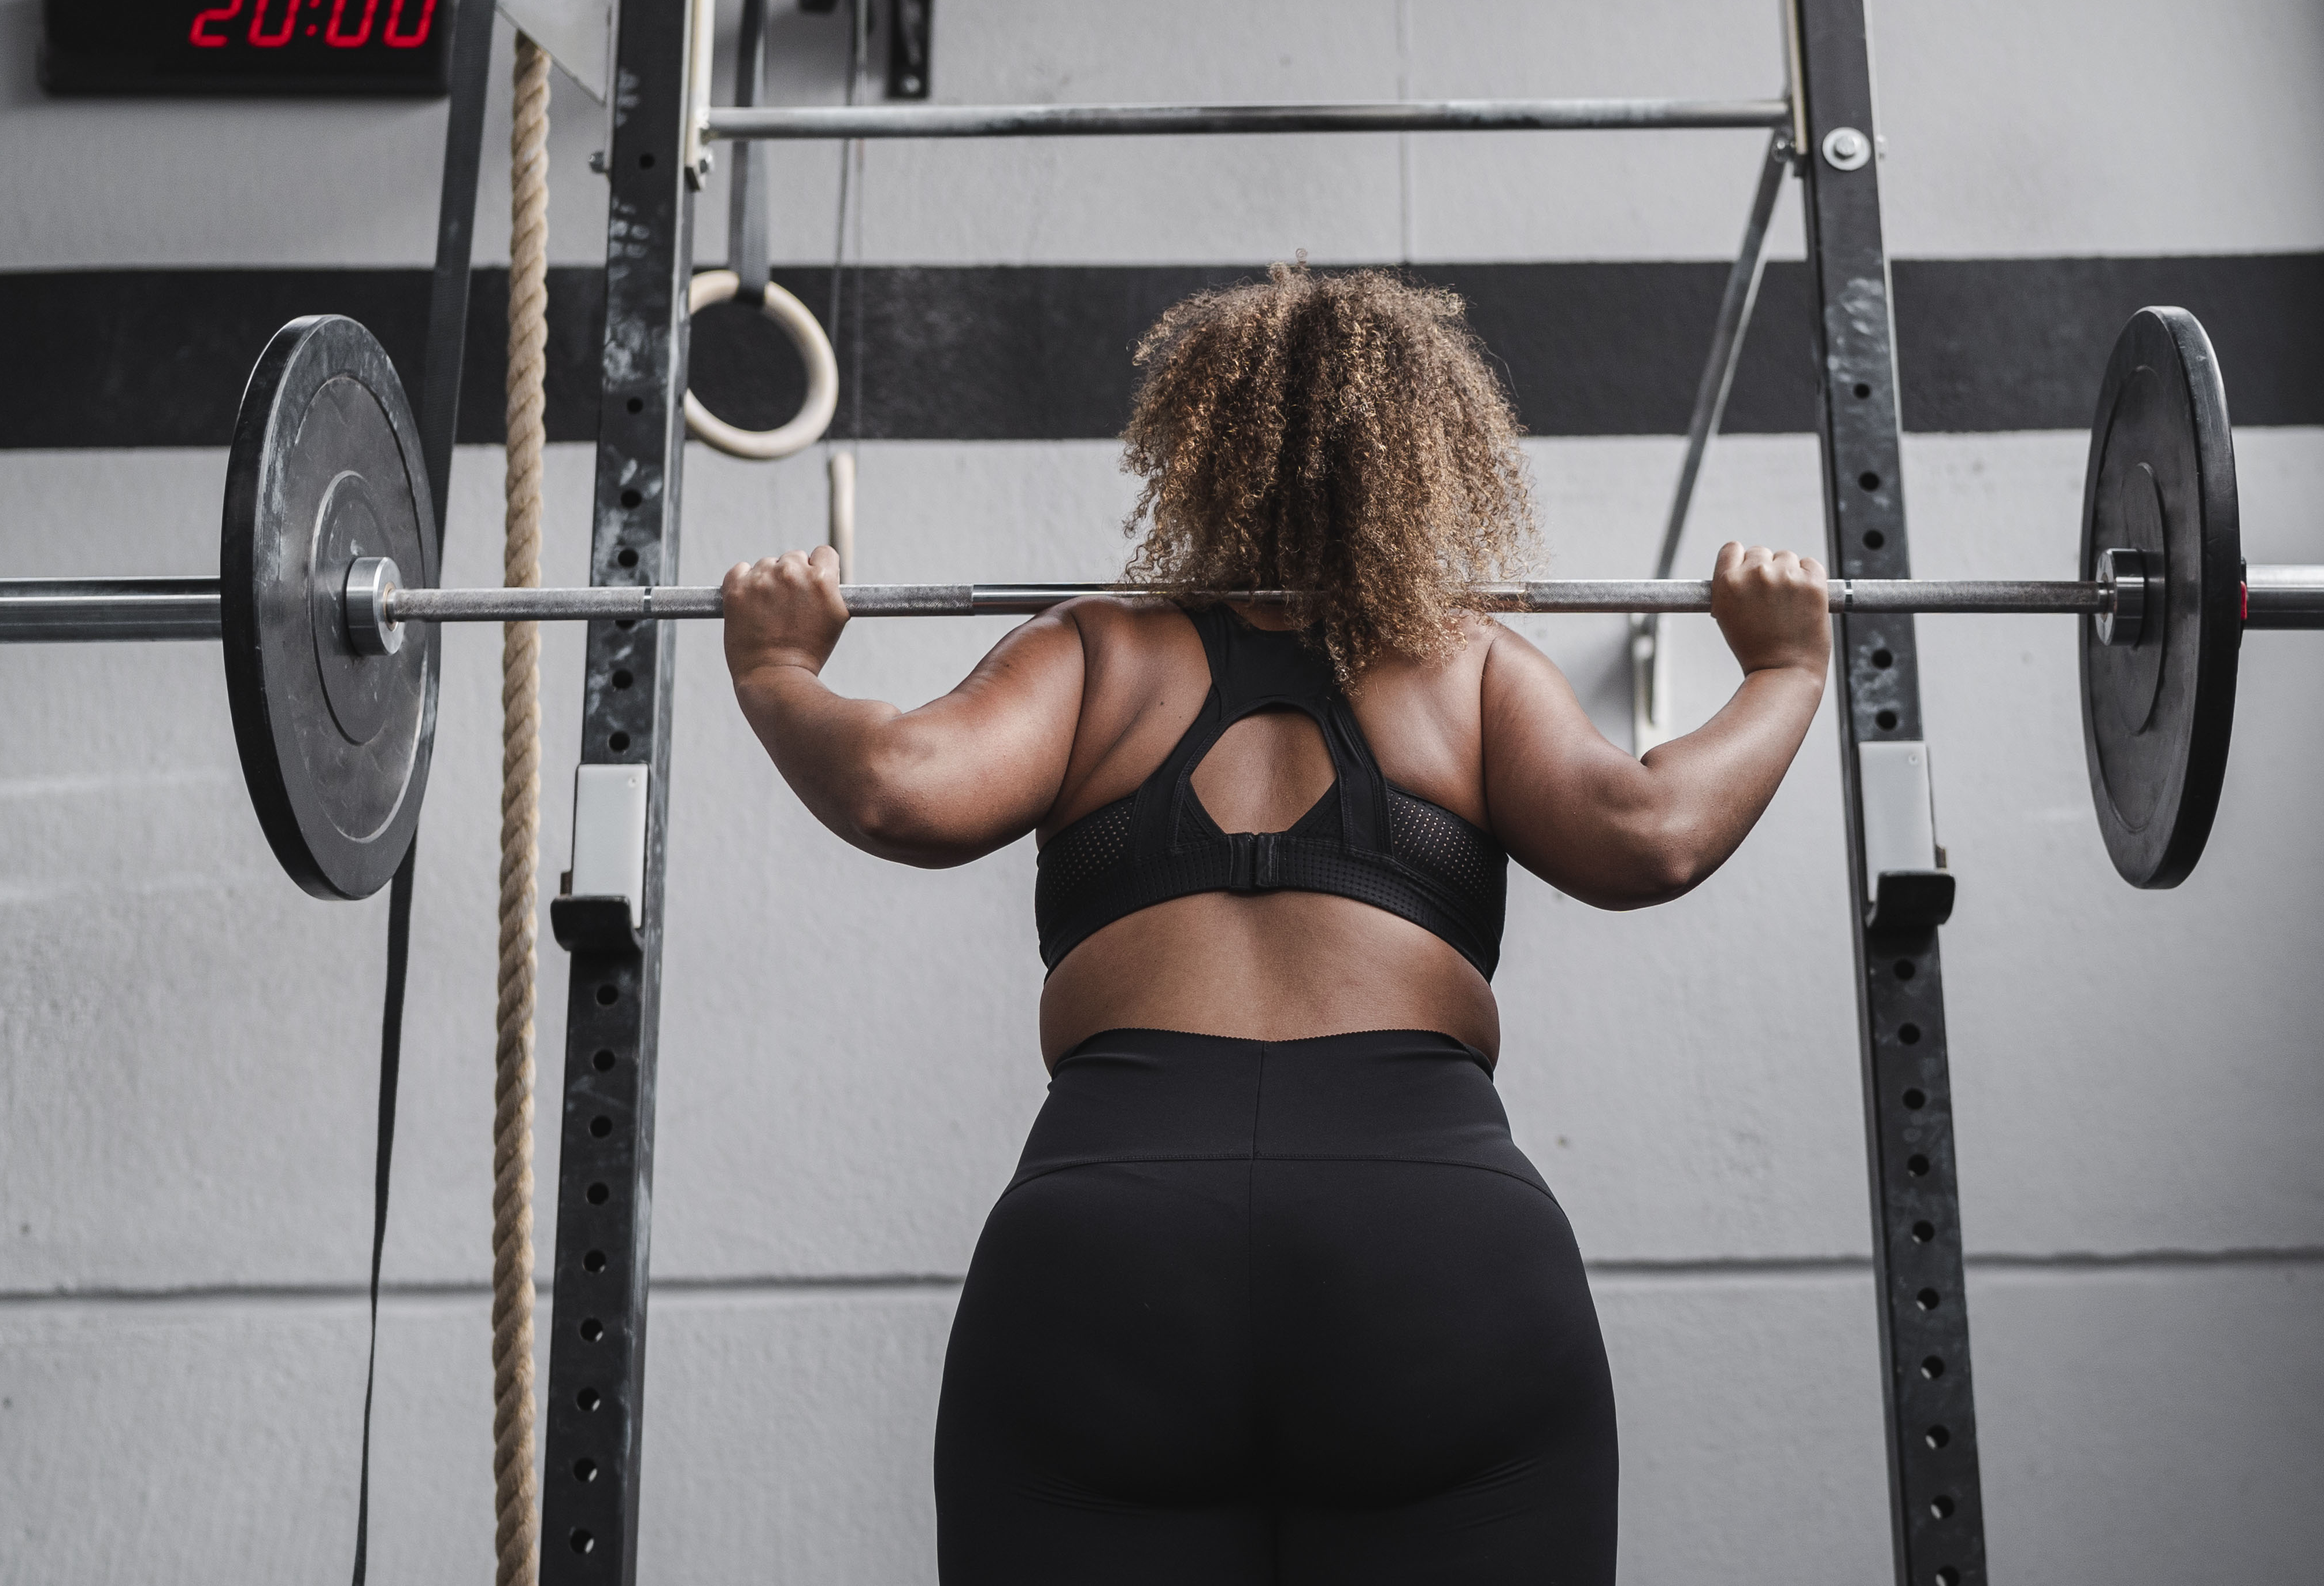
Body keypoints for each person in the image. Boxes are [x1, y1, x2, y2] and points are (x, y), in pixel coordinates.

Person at [720, 263, 1832, 1585]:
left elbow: (897, 790)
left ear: (1200, 451)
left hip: (1114, 1247)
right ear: (1435, 456)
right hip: (1429, 1248)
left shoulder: (1096, 652)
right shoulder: (1464, 665)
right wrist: (1786, 666)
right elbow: (1652, 835)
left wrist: (775, 665)